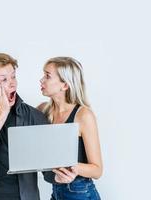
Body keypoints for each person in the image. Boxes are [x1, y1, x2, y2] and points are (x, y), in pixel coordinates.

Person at [0, 52, 75, 200]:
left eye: (13, 76)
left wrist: (59, 177)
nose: (12, 83)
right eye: (4, 79)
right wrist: (2, 113)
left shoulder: (34, 116)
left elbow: (47, 168)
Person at [37, 57, 103, 200]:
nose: (41, 80)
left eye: (47, 76)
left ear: (65, 85)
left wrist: (73, 168)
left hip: (80, 193)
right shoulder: (43, 111)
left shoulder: (84, 115)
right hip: (56, 191)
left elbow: (97, 170)